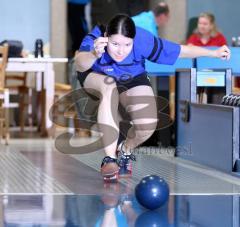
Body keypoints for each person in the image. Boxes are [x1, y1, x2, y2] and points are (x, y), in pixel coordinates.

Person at [75, 14, 230, 182]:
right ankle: (110, 159)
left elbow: (179, 50)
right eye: (115, 44)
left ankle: (125, 150)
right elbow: (79, 62)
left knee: (147, 126)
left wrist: (213, 53)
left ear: (133, 39)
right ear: (106, 37)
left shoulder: (143, 39)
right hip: (97, 76)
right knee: (109, 86)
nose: (121, 51)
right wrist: (93, 53)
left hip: (132, 77)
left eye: (127, 44)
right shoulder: (96, 37)